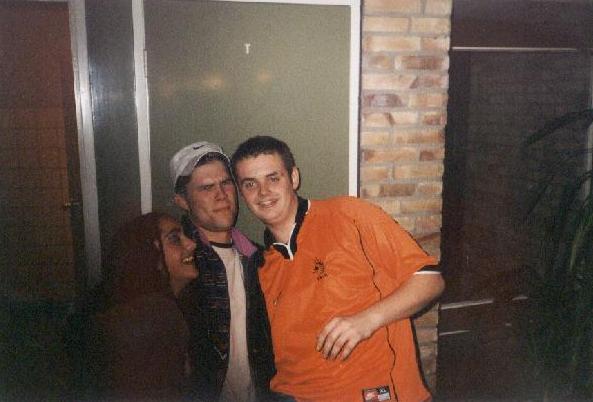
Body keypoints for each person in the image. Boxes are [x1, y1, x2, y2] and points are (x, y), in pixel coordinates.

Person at [231, 136, 445, 402]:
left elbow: (430, 281)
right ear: (242, 193)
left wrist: (366, 321)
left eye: (273, 178)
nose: (263, 192)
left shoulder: (348, 215)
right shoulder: (261, 267)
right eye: (250, 184)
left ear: (293, 178)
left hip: (372, 393)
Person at [169, 141, 278, 402]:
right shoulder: (177, 266)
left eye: (226, 183)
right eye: (207, 188)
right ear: (182, 201)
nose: (221, 195)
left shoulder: (260, 259)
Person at [86, 212, 197, 401]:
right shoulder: (157, 314)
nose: (192, 244)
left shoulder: (148, 307)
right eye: (174, 238)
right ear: (149, 255)